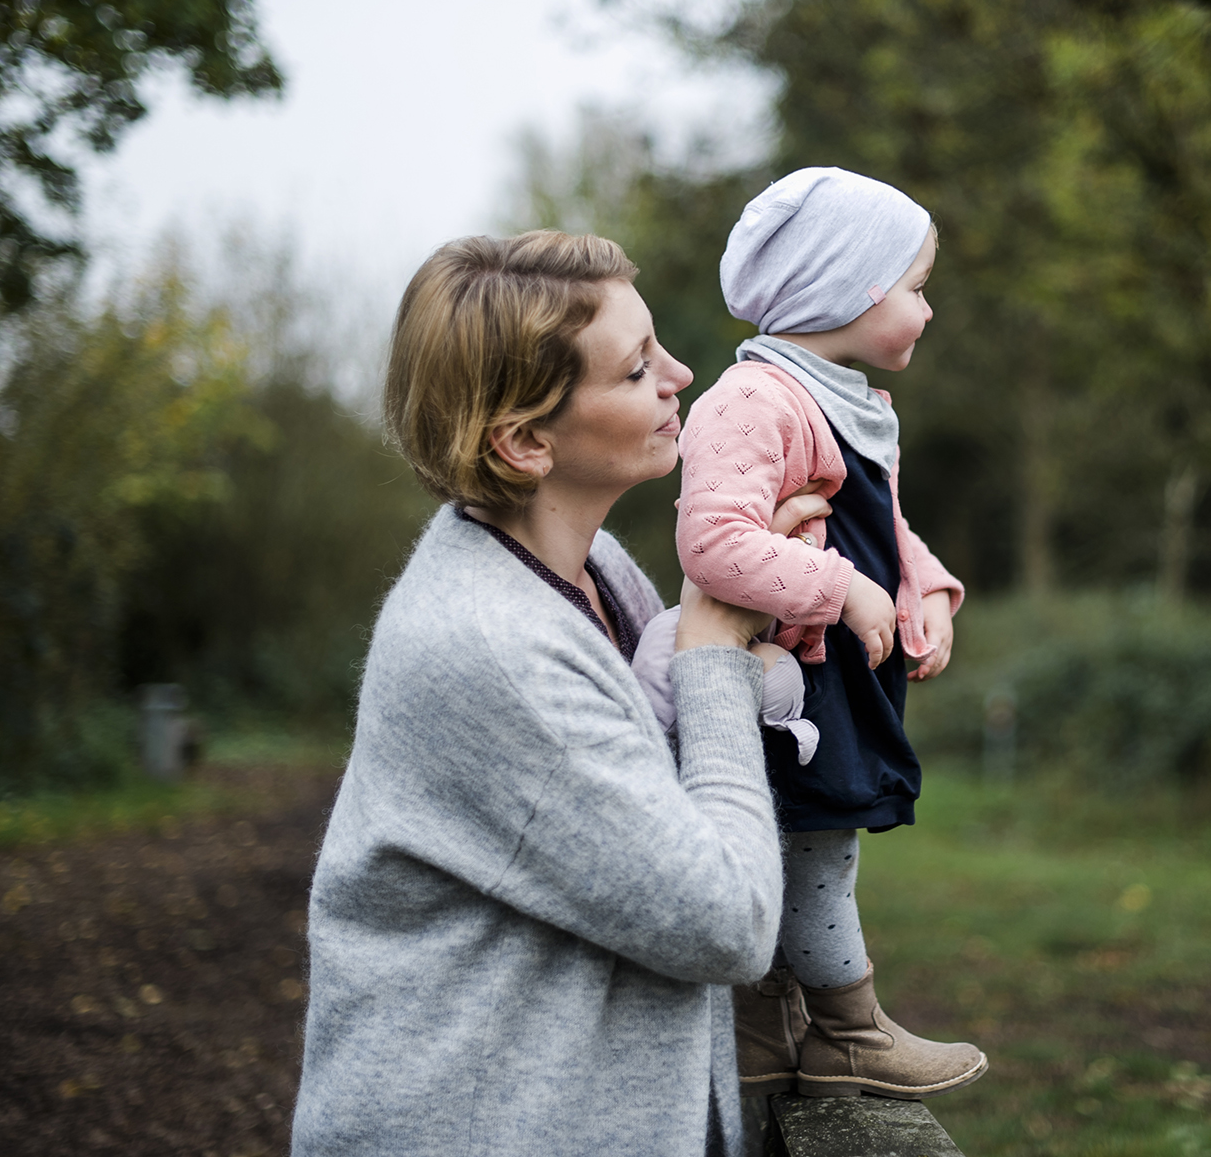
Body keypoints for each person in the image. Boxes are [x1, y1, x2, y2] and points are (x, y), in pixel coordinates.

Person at [292, 231, 825, 1157]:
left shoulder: (593, 570)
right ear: (526, 440)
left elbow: (656, 810)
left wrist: (754, 600)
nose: (682, 375)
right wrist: (711, 657)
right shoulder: (492, 645)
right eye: (635, 370)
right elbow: (725, 920)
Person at [671, 166, 987, 1101]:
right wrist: (844, 590)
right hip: (784, 684)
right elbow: (714, 541)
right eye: (916, 287)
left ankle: (763, 1035)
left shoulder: (850, 401)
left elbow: (881, 526)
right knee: (814, 851)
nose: (928, 311)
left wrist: (925, 588)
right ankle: (850, 1031)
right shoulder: (755, 400)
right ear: (847, 288)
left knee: (803, 841)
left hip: (840, 676)